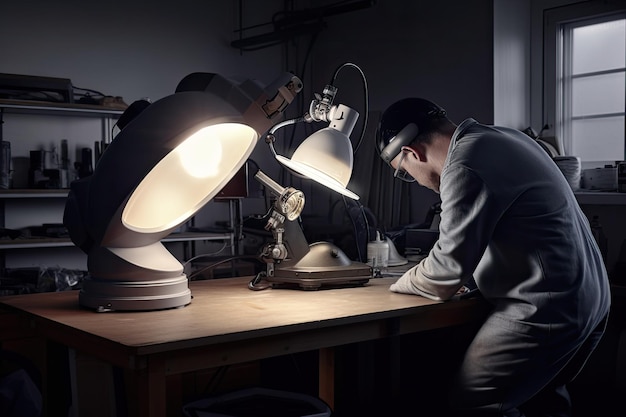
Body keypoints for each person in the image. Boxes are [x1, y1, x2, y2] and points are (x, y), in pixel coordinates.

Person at [376, 97, 611, 417]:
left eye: (406, 172)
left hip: (549, 306)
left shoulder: (464, 163)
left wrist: (395, 284)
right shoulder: (503, 137)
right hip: (591, 296)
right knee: (543, 399)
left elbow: (444, 273)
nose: (415, 181)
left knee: (475, 401)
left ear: (412, 153)